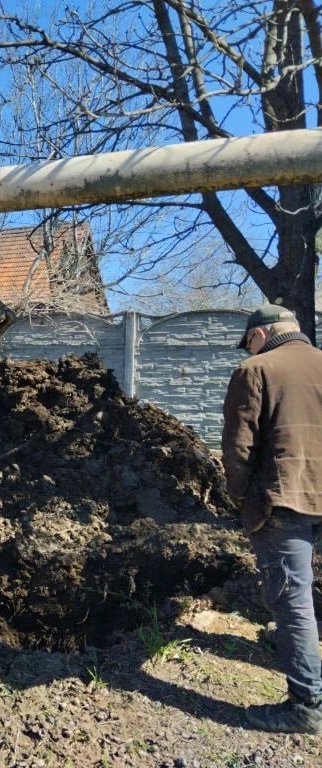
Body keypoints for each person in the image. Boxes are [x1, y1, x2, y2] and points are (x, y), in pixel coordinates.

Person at [222, 303, 322, 734]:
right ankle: (301, 654)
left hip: (286, 498)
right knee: (302, 601)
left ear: (260, 334)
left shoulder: (256, 370)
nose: (248, 350)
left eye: (248, 342)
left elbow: (238, 448)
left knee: (292, 600)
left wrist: (240, 495)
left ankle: (306, 705)